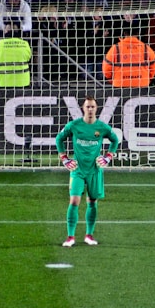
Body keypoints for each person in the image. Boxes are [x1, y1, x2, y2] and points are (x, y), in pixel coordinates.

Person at [55, 95, 120, 247]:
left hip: (95, 170)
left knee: (92, 202)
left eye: (92, 107)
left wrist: (108, 157)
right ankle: (70, 237)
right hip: (77, 169)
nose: (90, 109)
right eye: (87, 106)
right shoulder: (74, 125)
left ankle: (89, 235)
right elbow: (59, 138)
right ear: (83, 108)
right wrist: (64, 158)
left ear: (96, 109)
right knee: (74, 200)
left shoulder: (102, 127)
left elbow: (115, 140)